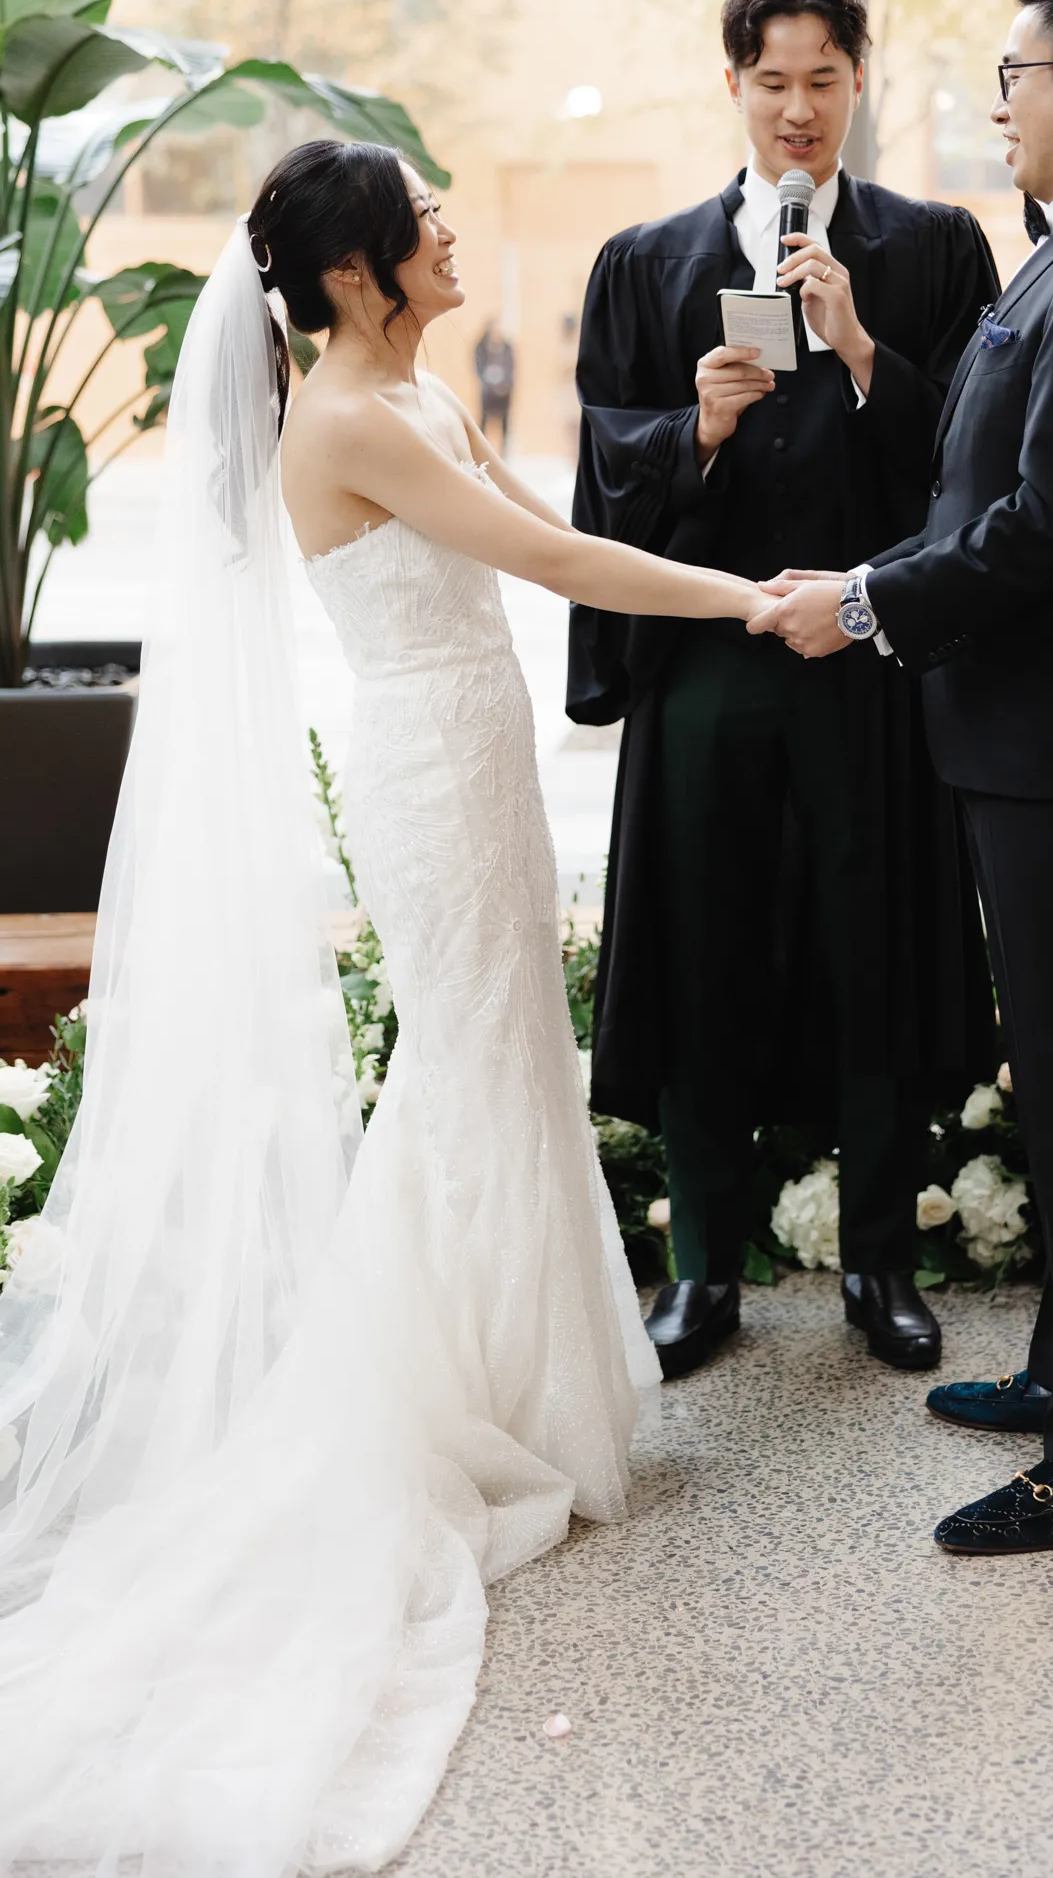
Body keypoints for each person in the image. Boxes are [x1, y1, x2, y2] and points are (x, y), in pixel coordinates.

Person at [0, 140, 768, 1871]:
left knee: (501, 1060)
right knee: (475, 1062)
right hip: (427, 763)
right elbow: (561, 564)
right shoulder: (342, 420)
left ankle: (509, 1374)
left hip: (480, 748)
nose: (445, 229)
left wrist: (701, 462)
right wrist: (754, 601)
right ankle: (454, 1399)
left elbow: (545, 533)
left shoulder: (412, 387)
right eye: (416, 220)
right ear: (353, 272)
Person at [753, 0, 1053, 1555]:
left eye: (1015, 76)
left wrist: (868, 602)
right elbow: (995, 447)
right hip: (1037, 736)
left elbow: (1049, 525)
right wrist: (884, 367)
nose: (998, 104)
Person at [569, 0, 998, 1381]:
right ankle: (703, 1270)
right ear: (734, 86)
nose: (799, 108)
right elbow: (600, 469)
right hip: (710, 665)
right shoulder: (645, 261)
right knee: (705, 953)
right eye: (773, 80)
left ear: (859, 83)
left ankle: (879, 1260)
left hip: (869, 664)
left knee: (873, 952)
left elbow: (976, 467)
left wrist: (866, 349)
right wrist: (693, 426)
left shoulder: (935, 252)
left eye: (824, 79)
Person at [473, 315, 516, 449]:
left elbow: (511, 368)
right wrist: (487, 382)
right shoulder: (481, 347)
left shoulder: (507, 348)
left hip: (503, 391)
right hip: (488, 392)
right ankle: (481, 449)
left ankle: (504, 453)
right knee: (484, 421)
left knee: (504, 422)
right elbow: (478, 367)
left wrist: (505, 384)